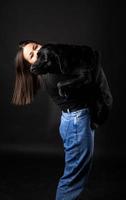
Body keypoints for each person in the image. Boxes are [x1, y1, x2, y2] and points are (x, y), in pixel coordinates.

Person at [11, 40, 113, 200]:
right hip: (76, 124)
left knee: (75, 175)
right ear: (31, 66)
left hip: (73, 121)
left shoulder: (51, 65)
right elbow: (90, 76)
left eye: (36, 48)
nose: (37, 53)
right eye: (32, 55)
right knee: (72, 180)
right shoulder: (51, 75)